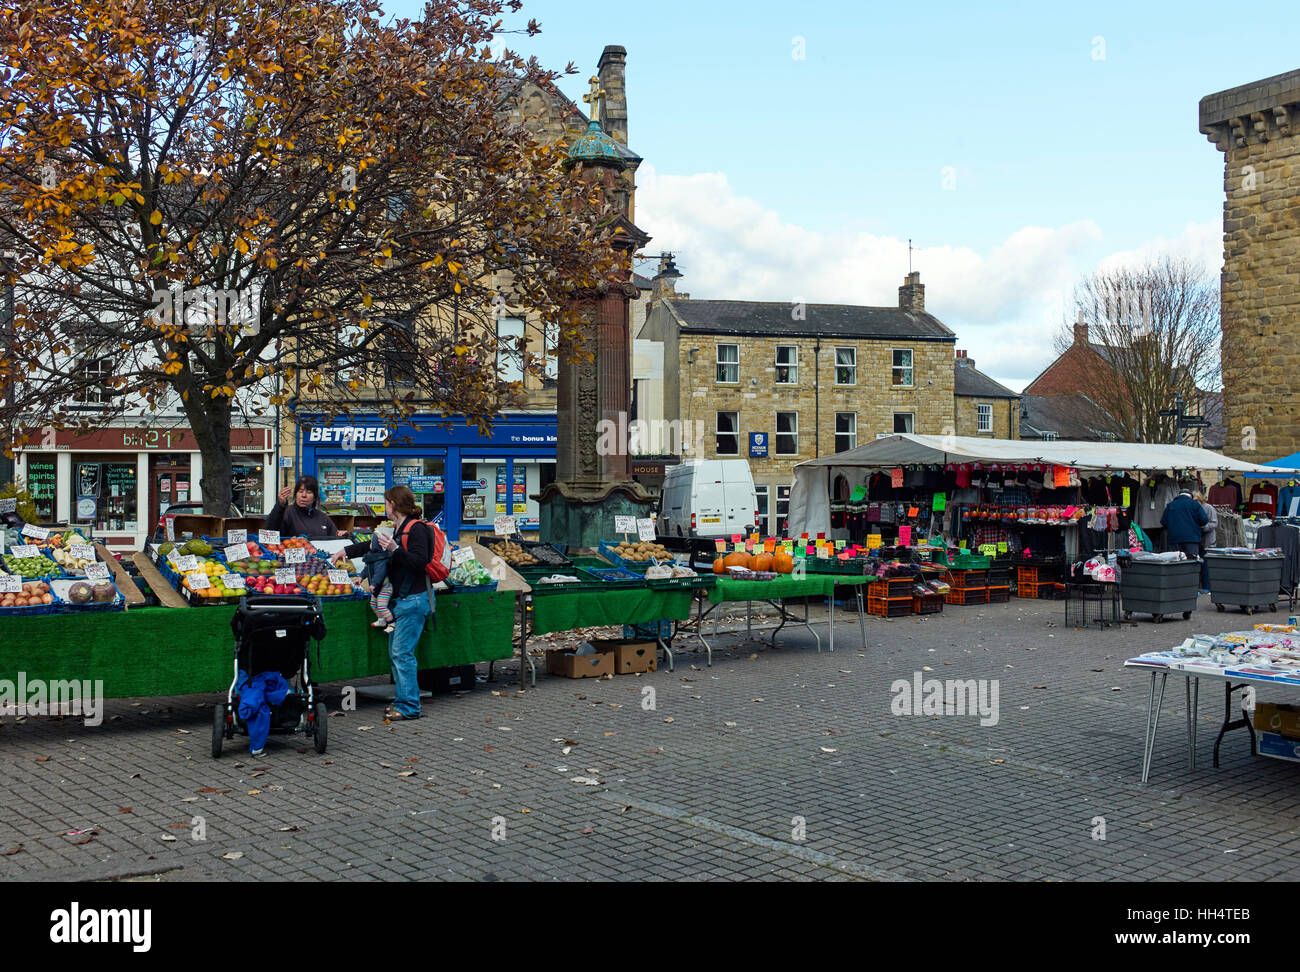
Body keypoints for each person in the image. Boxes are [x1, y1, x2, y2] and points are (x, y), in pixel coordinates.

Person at [333, 487, 431, 720]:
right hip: (401, 600)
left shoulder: (416, 529)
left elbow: (420, 562)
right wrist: (345, 550)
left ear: (394, 504)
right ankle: (402, 700)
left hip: (413, 599)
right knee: (396, 653)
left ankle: (409, 706)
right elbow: (372, 546)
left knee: (402, 653)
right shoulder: (396, 529)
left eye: (386, 503)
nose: (384, 508)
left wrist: (395, 550)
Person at [265, 475, 348, 540]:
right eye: (300, 491)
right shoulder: (287, 512)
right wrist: (280, 506)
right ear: (296, 494)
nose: (303, 495)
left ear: (315, 496)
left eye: (308, 492)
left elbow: (334, 536)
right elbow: (271, 530)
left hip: (318, 559)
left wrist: (341, 535)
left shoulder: (323, 517)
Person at [1160, 484, 1208, 567]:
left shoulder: (1170, 505)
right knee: (1192, 564)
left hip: (1174, 540)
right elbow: (1204, 520)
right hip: (1192, 540)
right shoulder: (1195, 504)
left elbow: (1163, 522)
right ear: (1190, 496)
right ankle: (1191, 580)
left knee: (1175, 564)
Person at [361, 529, 395, 632]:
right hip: (377, 587)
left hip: (384, 588)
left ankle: (392, 623)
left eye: (372, 542)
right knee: (373, 604)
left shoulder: (381, 559)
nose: (370, 544)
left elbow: (380, 573)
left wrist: (374, 584)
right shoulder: (372, 557)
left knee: (381, 606)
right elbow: (367, 569)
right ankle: (381, 620)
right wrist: (361, 577)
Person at [1194, 491, 1218, 595]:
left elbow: (1214, 523)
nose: (1194, 502)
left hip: (1207, 540)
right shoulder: (1193, 508)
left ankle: (1207, 587)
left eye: (1196, 499)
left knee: (1206, 565)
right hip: (1197, 540)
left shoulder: (1208, 508)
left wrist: (1203, 528)